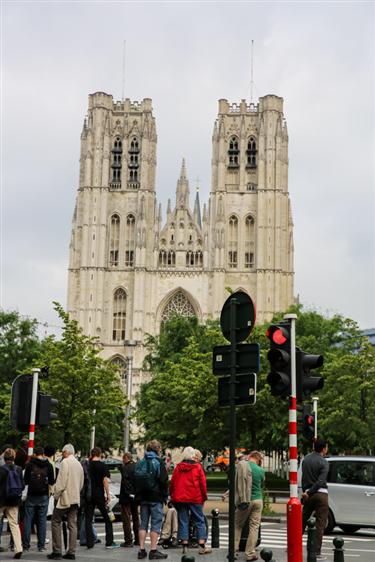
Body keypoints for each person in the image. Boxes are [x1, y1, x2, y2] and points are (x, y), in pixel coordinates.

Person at [170, 446, 211, 555]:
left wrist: (172, 495)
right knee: (199, 520)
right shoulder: (198, 467)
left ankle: (184, 543)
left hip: (180, 498)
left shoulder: (178, 467)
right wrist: (204, 497)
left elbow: (173, 482)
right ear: (193, 455)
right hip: (195, 497)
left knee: (183, 520)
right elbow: (203, 484)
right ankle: (201, 545)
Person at [47, 443, 84, 561]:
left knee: (55, 521)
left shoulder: (65, 462)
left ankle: (57, 550)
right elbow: (81, 483)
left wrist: (56, 495)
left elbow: (61, 482)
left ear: (66, 452)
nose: (62, 455)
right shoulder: (79, 464)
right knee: (72, 524)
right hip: (75, 498)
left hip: (65, 498)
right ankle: (71, 551)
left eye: (62, 452)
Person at [135, 439, 169, 560]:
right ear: (158, 450)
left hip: (143, 497)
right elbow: (164, 482)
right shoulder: (158, 462)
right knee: (155, 524)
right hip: (156, 497)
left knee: (143, 524)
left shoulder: (140, 462)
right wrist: (166, 497)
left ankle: (141, 549)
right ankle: (153, 550)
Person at [84, 447, 119, 550]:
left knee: (88, 519)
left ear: (92, 454)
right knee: (107, 518)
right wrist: (108, 494)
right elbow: (105, 481)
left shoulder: (87, 466)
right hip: (99, 495)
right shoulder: (103, 466)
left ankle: (89, 542)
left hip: (89, 495)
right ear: (100, 454)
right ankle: (109, 542)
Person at [301, 439, 329, 562]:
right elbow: (321, 481)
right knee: (320, 523)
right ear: (323, 449)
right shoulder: (324, 462)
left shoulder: (306, 459)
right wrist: (312, 491)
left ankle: (293, 544)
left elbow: (304, 477)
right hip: (321, 494)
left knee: (302, 520)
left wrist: (306, 492)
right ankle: (316, 551)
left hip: (308, 494)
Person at [23, 446, 55, 553]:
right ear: (43, 454)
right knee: (42, 521)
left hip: (31, 495)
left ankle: (26, 545)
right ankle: (41, 546)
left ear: (35, 454)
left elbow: (26, 481)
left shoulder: (30, 465)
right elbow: (52, 482)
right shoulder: (49, 465)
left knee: (28, 519)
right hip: (43, 496)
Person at [234, 450, 265, 562]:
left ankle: (233, 552)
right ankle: (250, 553)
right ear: (258, 459)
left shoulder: (242, 467)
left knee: (237, 525)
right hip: (258, 500)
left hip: (245, 501)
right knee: (254, 527)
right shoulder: (261, 470)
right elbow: (262, 483)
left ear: (250, 457)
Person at [0, 447, 25, 559]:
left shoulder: (1, 469)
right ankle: (18, 548)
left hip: (1, 501)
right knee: (14, 524)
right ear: (14, 457)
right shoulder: (19, 469)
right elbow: (22, 485)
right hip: (14, 500)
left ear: (4, 458)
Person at [119, 452, 139, 547]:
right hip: (135, 496)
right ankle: (138, 539)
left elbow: (125, 482)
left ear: (126, 458)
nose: (122, 461)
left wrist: (128, 493)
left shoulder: (124, 468)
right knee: (136, 517)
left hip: (126, 497)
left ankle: (128, 540)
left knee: (126, 519)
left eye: (123, 458)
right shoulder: (137, 466)